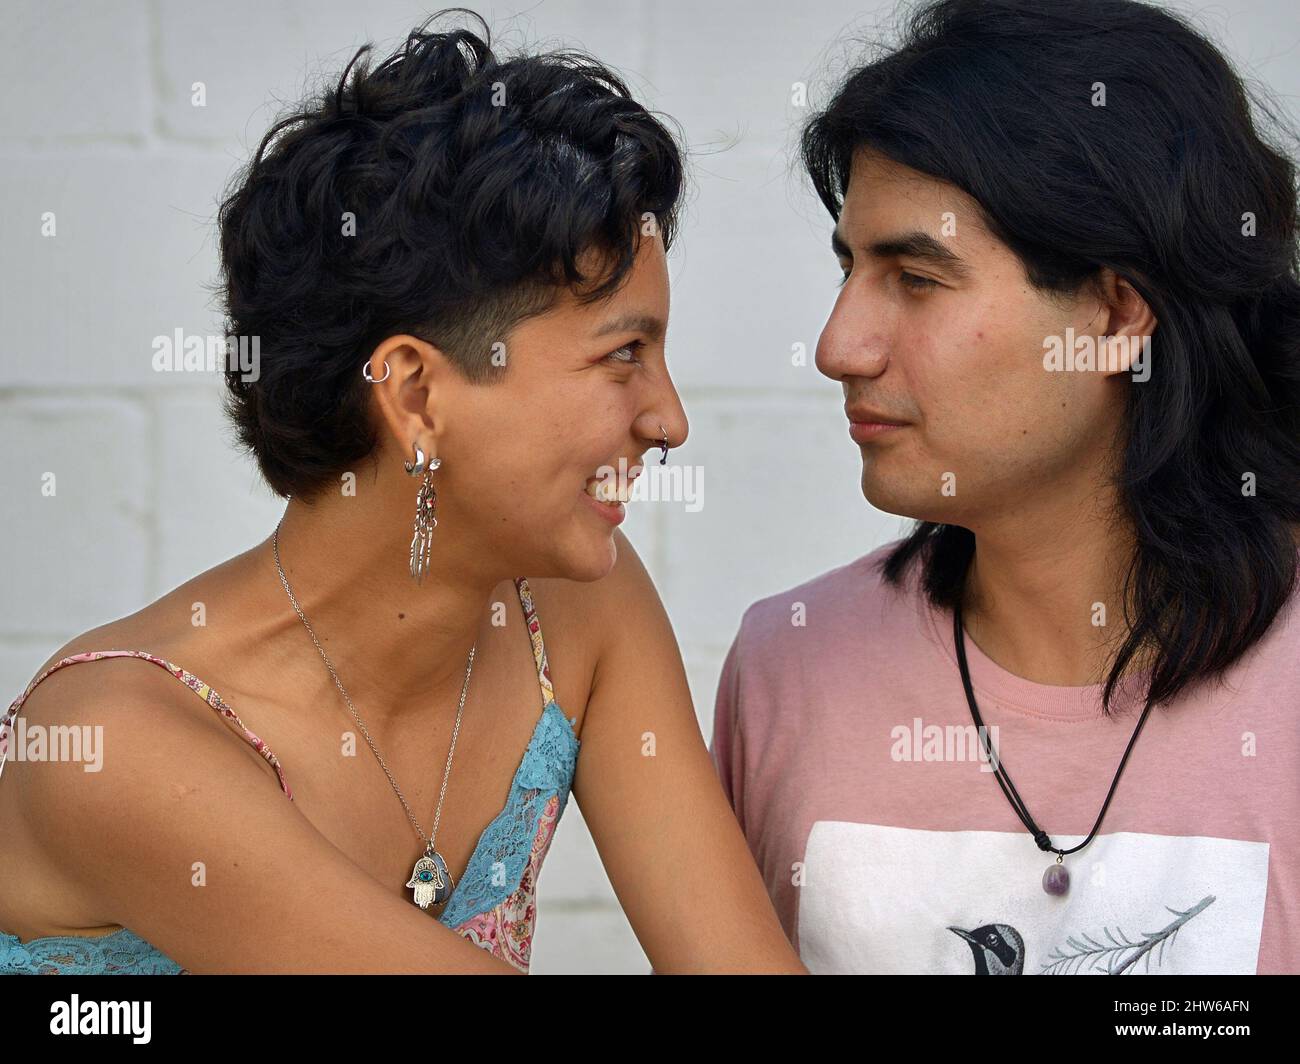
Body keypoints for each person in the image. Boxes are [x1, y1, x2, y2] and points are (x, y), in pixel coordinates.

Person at [0, 13, 805, 975]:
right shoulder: (112, 746)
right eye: (622, 354)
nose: (670, 420)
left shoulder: (578, 606)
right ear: (416, 394)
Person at [712, 0, 1300, 974]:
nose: (835, 347)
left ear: (1116, 315)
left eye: (916, 277)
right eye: (850, 268)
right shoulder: (789, 669)